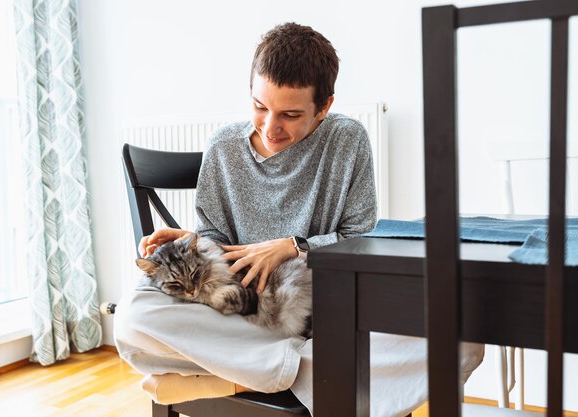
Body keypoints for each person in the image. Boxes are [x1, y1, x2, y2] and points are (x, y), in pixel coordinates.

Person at [114, 22, 484, 417]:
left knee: (462, 331)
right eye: (260, 107)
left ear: (323, 107)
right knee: (133, 320)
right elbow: (216, 240)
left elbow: (360, 237)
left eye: (290, 114)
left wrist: (294, 245)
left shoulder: (347, 140)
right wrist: (195, 244)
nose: (271, 127)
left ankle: (246, 372)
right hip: (244, 315)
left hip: (329, 309)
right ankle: (308, 371)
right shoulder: (223, 147)